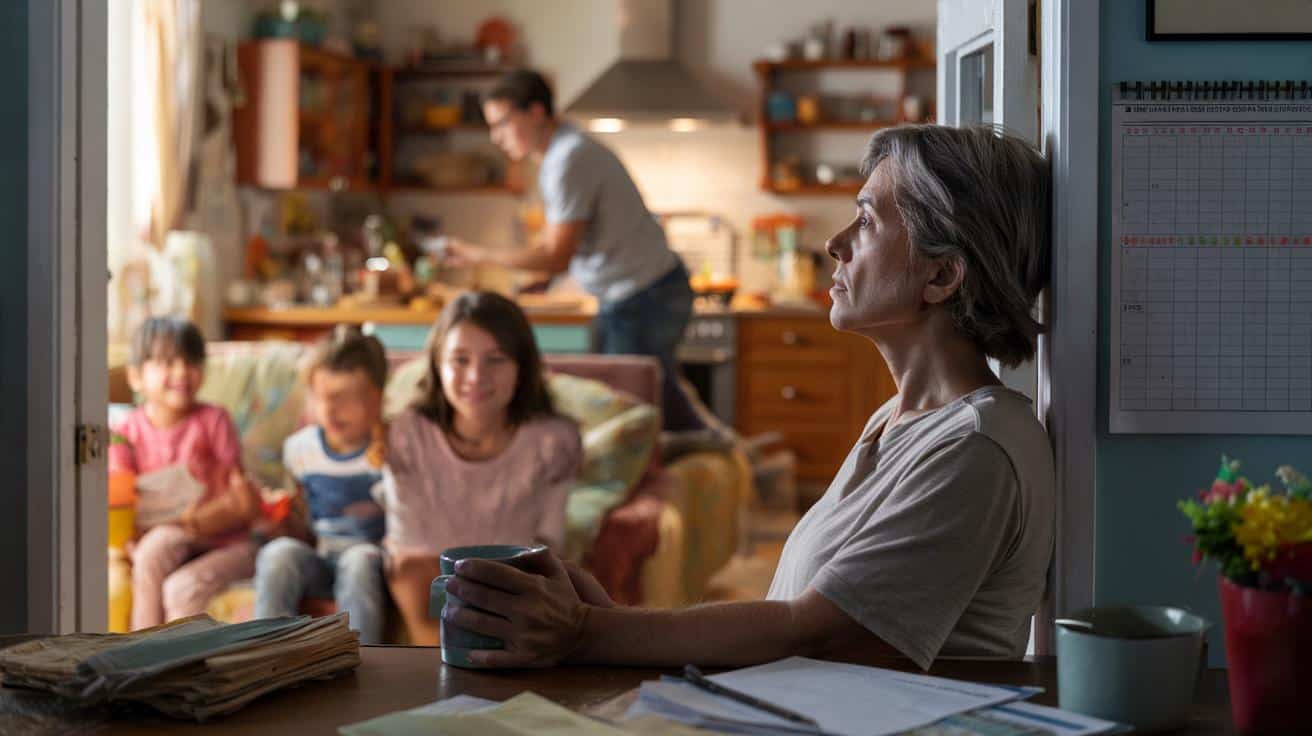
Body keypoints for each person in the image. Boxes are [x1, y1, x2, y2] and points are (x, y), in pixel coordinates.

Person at [437, 124, 1056, 671]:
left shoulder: (975, 450)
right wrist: (608, 620)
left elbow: (820, 637)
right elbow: (789, 622)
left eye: (866, 222)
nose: (834, 243)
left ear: (943, 275)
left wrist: (588, 632)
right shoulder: (898, 421)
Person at [442, 69, 703, 432]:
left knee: (630, 410)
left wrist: (478, 254)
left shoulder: (569, 159)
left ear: (535, 112)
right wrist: (550, 283)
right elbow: (574, 249)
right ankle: (727, 460)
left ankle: (708, 466)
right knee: (658, 400)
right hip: (648, 290)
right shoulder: (566, 153)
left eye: (502, 123)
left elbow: (555, 255)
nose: (496, 137)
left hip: (644, 297)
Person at [381, 291, 583, 645]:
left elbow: (548, 552)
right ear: (437, 364)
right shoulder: (406, 435)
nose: (476, 376)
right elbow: (408, 557)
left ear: (522, 367)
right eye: (460, 359)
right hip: (423, 594)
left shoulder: (555, 440)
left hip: (516, 592)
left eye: (496, 359)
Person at [112, 317, 262, 630]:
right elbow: (120, 502)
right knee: (159, 556)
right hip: (163, 542)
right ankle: (143, 660)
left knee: (176, 577)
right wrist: (130, 541)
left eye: (191, 361)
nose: (181, 371)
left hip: (227, 544)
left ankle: (165, 666)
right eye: (167, 362)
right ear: (136, 376)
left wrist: (196, 520)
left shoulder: (213, 420)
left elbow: (243, 502)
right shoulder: (125, 432)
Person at [253, 327, 389, 644]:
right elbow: (303, 517)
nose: (328, 410)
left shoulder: (388, 449)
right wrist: (282, 521)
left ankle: (362, 660)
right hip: (323, 560)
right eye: (319, 397)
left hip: (373, 565)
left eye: (342, 398)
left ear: (375, 397)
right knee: (279, 554)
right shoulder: (301, 450)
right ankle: (265, 656)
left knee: (358, 561)